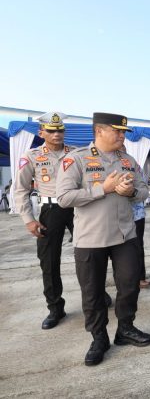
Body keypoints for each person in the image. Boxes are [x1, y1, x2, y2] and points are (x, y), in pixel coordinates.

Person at [57, 112, 150, 366]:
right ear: (99, 131)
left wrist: (131, 191)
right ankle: (99, 338)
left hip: (125, 235)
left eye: (124, 132)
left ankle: (125, 329)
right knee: (93, 293)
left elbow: (144, 190)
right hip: (91, 238)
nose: (122, 136)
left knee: (130, 285)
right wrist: (104, 189)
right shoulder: (75, 159)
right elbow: (64, 197)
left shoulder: (128, 160)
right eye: (118, 131)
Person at [13, 112, 75, 329]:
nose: (56, 134)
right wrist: (28, 219)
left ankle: (97, 296)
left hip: (78, 208)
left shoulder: (76, 153)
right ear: (41, 133)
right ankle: (55, 308)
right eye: (51, 130)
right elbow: (20, 189)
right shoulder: (31, 156)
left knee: (91, 255)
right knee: (49, 261)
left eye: (60, 130)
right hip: (51, 209)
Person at [120, 144, 150, 288]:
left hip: (136, 214)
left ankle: (140, 278)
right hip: (115, 215)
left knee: (137, 246)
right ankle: (124, 278)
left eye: (123, 150)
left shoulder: (133, 164)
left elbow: (143, 187)